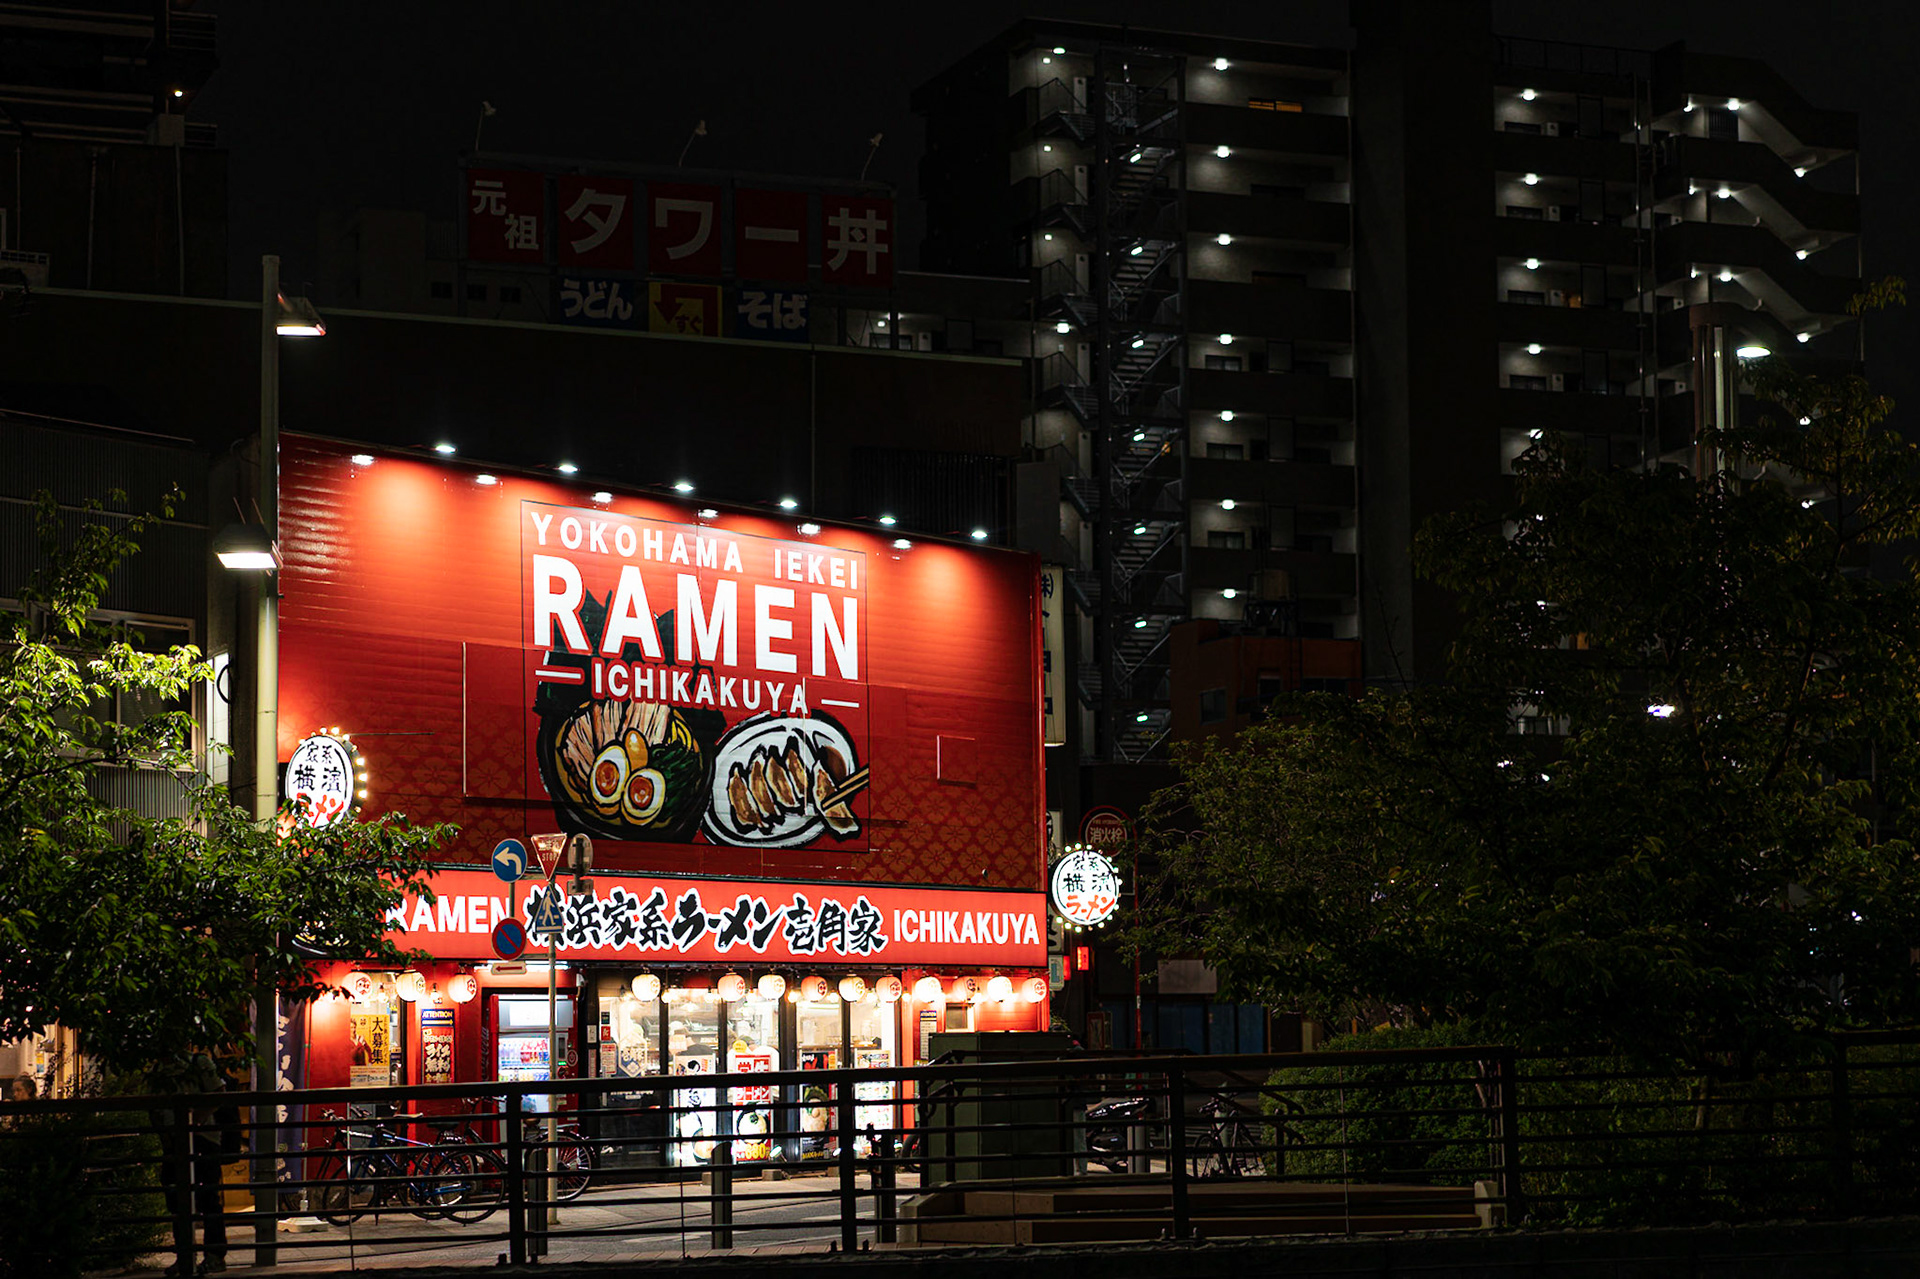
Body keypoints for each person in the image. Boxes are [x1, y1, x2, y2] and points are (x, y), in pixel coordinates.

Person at [150, 1048, 230, 1276]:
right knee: (177, 1199)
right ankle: (187, 1255)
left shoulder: (196, 1063)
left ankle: (212, 1256)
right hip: (176, 1139)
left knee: (207, 1198)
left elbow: (218, 1093)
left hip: (202, 1138)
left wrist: (194, 1121)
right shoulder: (160, 1069)